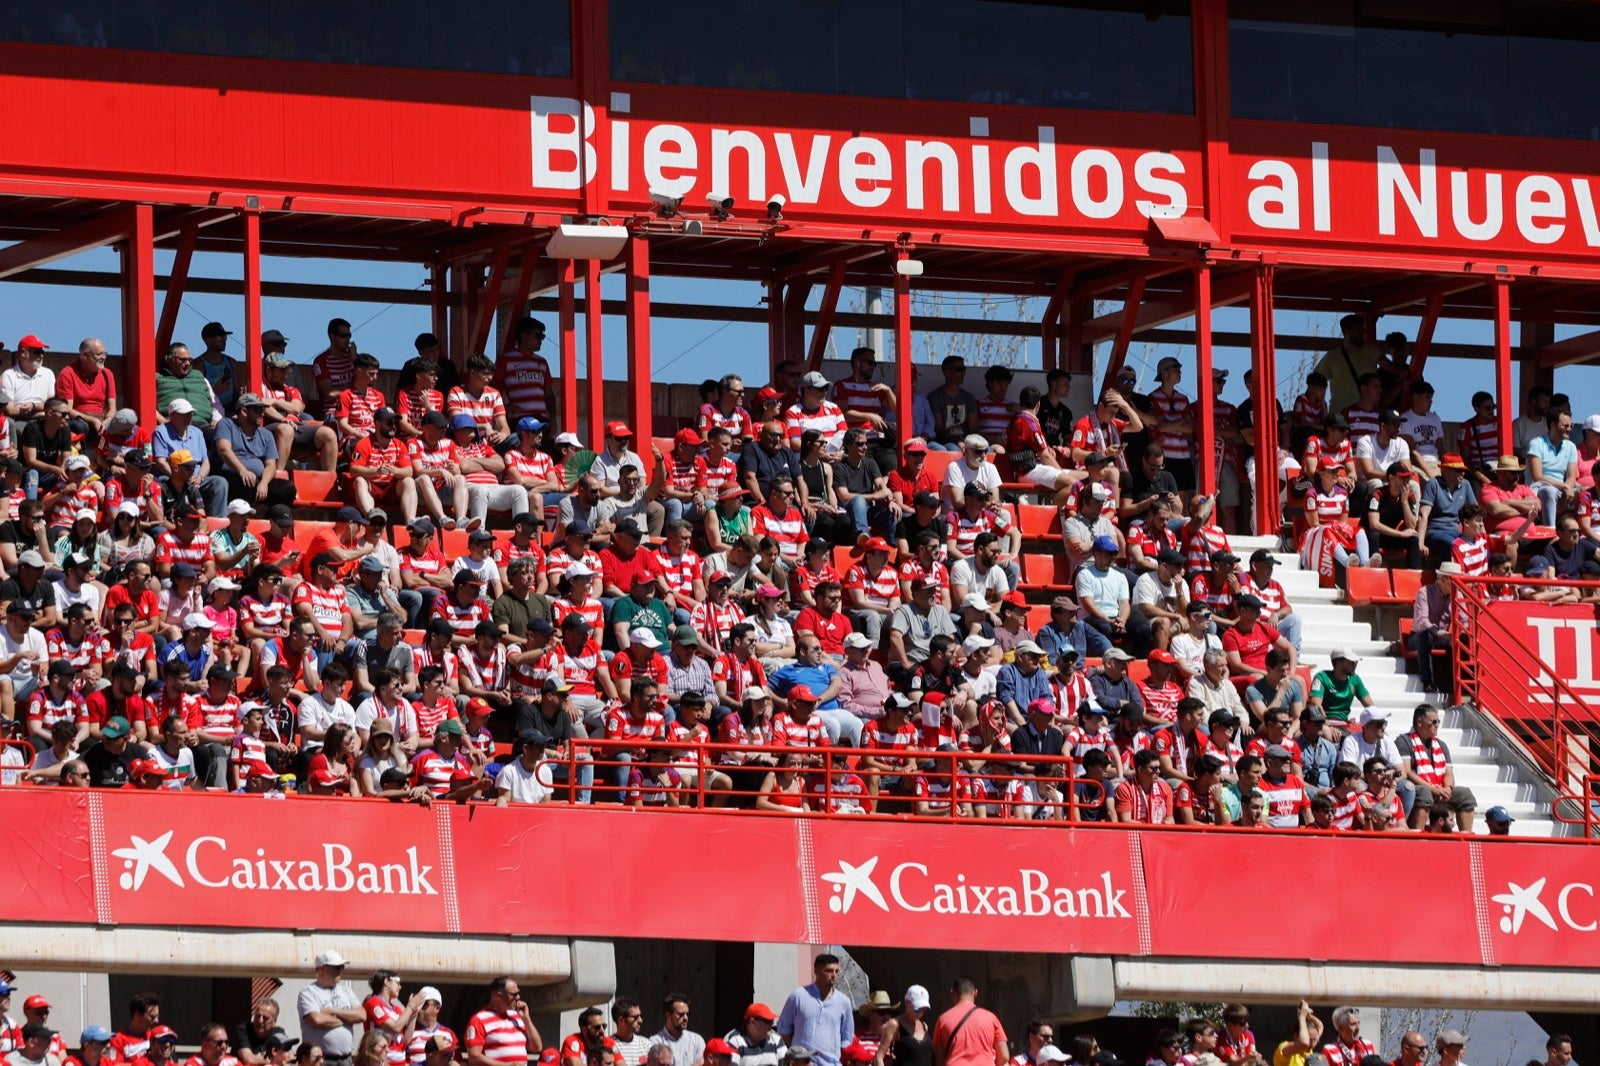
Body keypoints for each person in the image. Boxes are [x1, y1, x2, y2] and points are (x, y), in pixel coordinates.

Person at [777, 956, 854, 1066]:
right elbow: (784, 1028)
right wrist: (798, 1054)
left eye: (836, 971)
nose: (834, 975)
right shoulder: (798, 996)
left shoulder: (844, 1002)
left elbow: (847, 1037)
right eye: (829, 971)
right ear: (816, 971)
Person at [297, 951, 364, 1066]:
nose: (340, 970)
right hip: (322, 1060)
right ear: (322, 969)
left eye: (342, 967)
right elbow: (317, 1020)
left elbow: (361, 1015)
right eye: (336, 967)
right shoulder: (308, 992)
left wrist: (333, 1011)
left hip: (346, 1059)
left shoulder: (346, 991)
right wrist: (348, 1019)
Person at [930, 978, 1006, 1066]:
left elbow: (939, 1058)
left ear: (952, 993)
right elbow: (1004, 1056)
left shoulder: (942, 1020)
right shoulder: (991, 1018)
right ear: (975, 992)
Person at [649, 995, 704, 1066]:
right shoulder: (655, 1042)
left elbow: (702, 1062)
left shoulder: (696, 1040)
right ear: (667, 1015)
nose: (685, 1018)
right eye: (681, 1014)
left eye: (687, 1014)